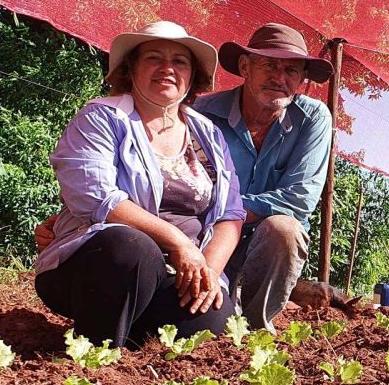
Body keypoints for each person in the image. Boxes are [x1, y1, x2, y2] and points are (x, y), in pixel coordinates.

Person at [35, 21, 246, 347]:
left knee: (216, 321)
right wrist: (179, 242)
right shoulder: (102, 118)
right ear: (131, 67)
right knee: (133, 248)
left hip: (177, 275)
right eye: (153, 58)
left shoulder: (209, 134)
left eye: (180, 61)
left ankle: (131, 330)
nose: (167, 68)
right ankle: (97, 352)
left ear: (192, 76)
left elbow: (230, 214)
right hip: (101, 266)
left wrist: (209, 272)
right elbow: (95, 197)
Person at [193, 23, 334, 332]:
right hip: (209, 234)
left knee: (284, 228)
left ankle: (256, 326)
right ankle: (215, 315)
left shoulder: (313, 119)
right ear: (245, 66)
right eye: (270, 64)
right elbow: (190, 190)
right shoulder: (201, 114)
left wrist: (230, 210)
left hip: (262, 241)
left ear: (301, 79)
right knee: (202, 319)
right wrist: (223, 221)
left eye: (292, 71)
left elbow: (300, 199)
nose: (280, 78)